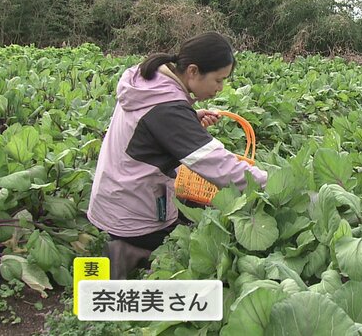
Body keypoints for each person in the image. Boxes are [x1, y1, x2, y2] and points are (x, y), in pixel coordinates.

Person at [88, 32, 268, 278]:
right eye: (218, 80)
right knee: (181, 251)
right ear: (193, 71)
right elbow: (218, 164)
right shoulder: (168, 110)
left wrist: (189, 119)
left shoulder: (148, 79)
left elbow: (147, 128)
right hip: (131, 210)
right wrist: (269, 184)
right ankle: (125, 253)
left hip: (113, 194)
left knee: (186, 226)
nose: (220, 88)